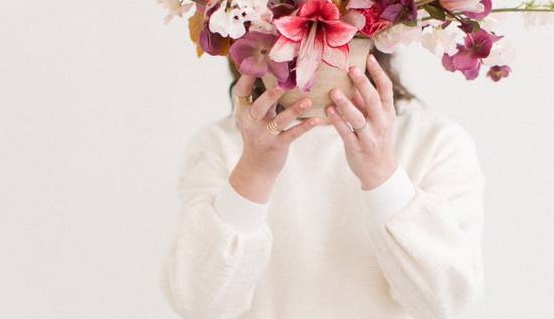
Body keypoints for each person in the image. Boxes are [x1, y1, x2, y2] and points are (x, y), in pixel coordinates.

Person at [160, 49, 485, 318]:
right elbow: (200, 304)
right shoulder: (221, 145)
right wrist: (255, 172)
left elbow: (445, 301)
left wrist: (381, 172)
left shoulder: (434, 142)